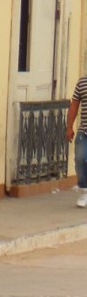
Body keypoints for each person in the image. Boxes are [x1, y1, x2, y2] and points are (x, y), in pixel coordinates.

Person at [67, 71, 87, 208]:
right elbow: (74, 105)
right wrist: (69, 127)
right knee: (80, 159)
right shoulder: (82, 83)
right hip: (84, 131)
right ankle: (84, 190)